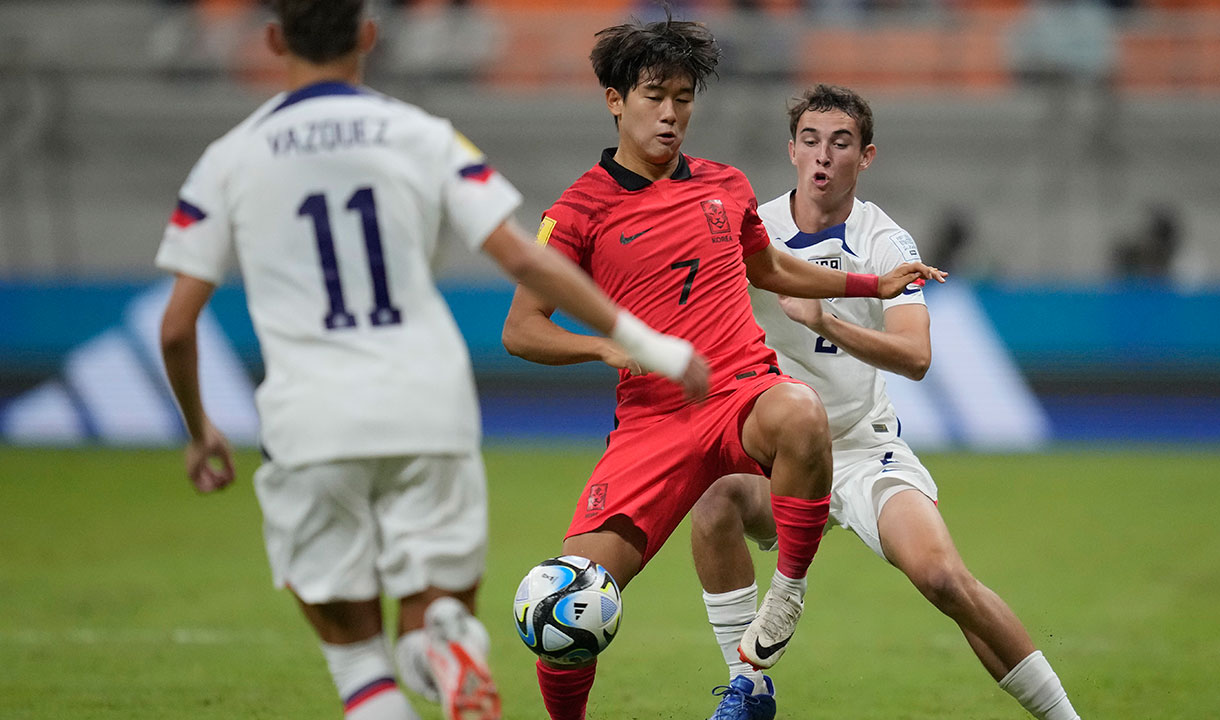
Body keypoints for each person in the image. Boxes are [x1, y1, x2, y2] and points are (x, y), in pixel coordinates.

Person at [154, 2, 707, 720]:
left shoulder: (231, 156)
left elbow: (176, 328)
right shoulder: (423, 135)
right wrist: (646, 341)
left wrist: (199, 428)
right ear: (368, 35)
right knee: (433, 608)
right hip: (429, 403)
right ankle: (446, 640)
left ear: (273, 38)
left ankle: (400, 671)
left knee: (358, 662)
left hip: (311, 414)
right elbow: (523, 259)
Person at [499, 16, 945, 720]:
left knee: (800, 411)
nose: (671, 114)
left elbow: (771, 269)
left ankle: (787, 593)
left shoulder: (724, 185)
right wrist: (604, 348)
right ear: (615, 100)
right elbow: (521, 330)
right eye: (654, 96)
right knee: (565, 605)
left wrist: (870, 284)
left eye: (683, 98)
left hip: (738, 391)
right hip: (652, 422)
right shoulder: (578, 210)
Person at [691, 84, 1083, 720]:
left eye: (840, 143)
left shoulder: (886, 241)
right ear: (792, 151)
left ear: (865, 156)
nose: (823, 155)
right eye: (811, 140)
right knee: (715, 503)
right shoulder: (753, 232)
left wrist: (828, 320)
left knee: (943, 579)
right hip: (779, 455)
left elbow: (916, 357)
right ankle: (749, 689)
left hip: (861, 448)